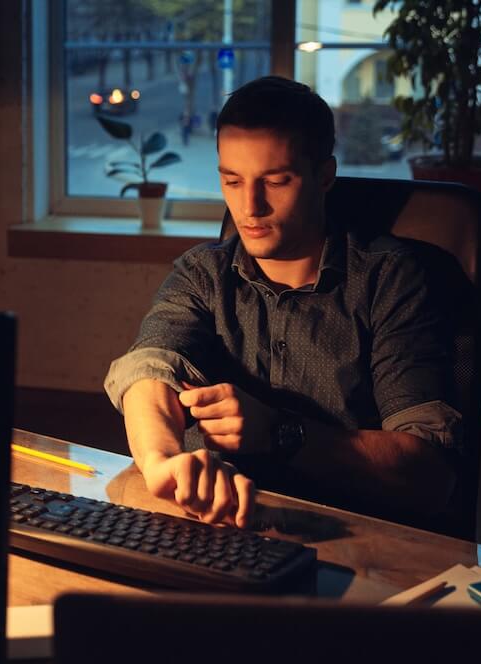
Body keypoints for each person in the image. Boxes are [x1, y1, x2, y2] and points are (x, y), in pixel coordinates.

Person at [104, 76, 462, 530]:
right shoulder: (202, 272)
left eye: (276, 181)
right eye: (232, 181)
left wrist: (279, 431)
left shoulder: (390, 279)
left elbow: (430, 477)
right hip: (215, 530)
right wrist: (163, 462)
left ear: (325, 175)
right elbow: (149, 371)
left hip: (349, 538)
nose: (249, 207)